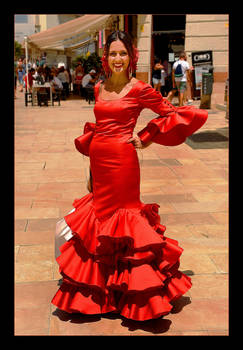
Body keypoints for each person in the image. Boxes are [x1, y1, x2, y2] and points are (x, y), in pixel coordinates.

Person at [52, 30, 208, 322]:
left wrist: (147, 136)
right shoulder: (99, 87)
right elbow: (98, 129)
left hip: (123, 164)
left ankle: (134, 293)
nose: (118, 58)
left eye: (123, 53)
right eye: (113, 53)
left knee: (126, 221)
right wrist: (90, 169)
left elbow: (172, 113)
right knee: (99, 221)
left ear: (131, 57)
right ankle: (101, 293)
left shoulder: (140, 88)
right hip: (99, 162)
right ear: (106, 57)